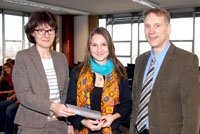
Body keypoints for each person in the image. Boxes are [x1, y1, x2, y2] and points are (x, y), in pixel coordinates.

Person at [129, 8, 200, 134]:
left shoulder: (187, 61)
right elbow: (136, 104)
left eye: (157, 25)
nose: (151, 31)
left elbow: (191, 115)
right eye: (147, 26)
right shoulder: (140, 60)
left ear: (168, 28)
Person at [12, 10, 75, 134]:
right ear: (32, 32)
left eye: (50, 30)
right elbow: (23, 94)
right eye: (41, 30)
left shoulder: (61, 58)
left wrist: (69, 122)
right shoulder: (23, 57)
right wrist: (52, 106)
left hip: (59, 123)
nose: (47, 35)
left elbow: (66, 94)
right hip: (32, 125)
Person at [66, 27, 132, 134]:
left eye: (103, 44)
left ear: (109, 47)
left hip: (112, 130)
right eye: (94, 45)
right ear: (89, 47)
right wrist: (83, 121)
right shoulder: (77, 72)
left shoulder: (120, 72)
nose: (99, 49)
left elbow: (127, 104)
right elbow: (71, 104)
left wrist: (113, 117)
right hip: (83, 130)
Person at [0, 63, 19, 134]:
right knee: (1, 105)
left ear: (11, 67)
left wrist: (15, 94)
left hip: (19, 98)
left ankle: (9, 131)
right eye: (4, 68)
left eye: (8, 67)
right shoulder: (4, 78)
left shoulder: (17, 75)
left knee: (9, 109)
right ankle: (2, 128)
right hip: (13, 96)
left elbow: (18, 89)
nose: (6, 69)